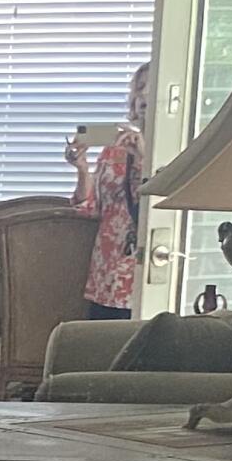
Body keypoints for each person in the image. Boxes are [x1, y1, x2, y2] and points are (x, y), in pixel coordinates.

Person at [67, 60, 152, 317]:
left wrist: (142, 159)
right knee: (101, 350)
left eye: (150, 92)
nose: (143, 98)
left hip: (145, 275)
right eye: (140, 92)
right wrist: (82, 169)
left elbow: (160, 204)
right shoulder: (114, 148)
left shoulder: (177, 149)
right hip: (106, 274)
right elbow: (91, 208)